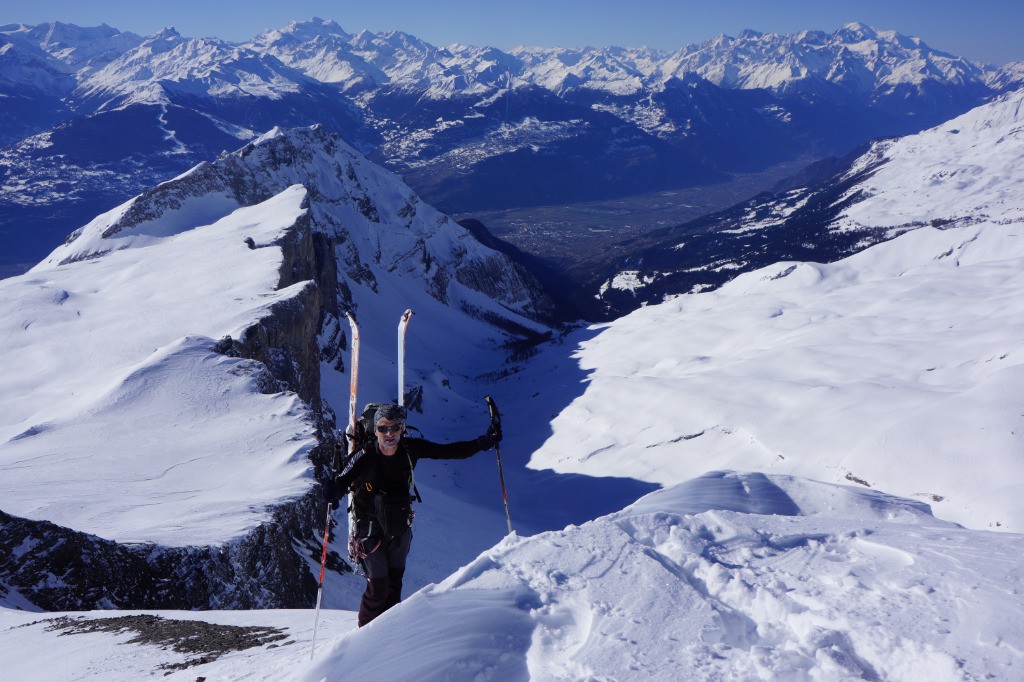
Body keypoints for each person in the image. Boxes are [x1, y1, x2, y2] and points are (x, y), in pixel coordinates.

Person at [323, 403, 501, 627]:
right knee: (378, 588)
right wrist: (333, 491)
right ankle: (364, 641)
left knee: (394, 586)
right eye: (382, 428)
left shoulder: (410, 449)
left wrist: (481, 443)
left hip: (398, 529)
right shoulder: (364, 454)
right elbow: (342, 479)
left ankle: (390, 636)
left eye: (394, 427)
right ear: (375, 430)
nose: (389, 434)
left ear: (402, 429)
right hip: (369, 531)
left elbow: (448, 451)